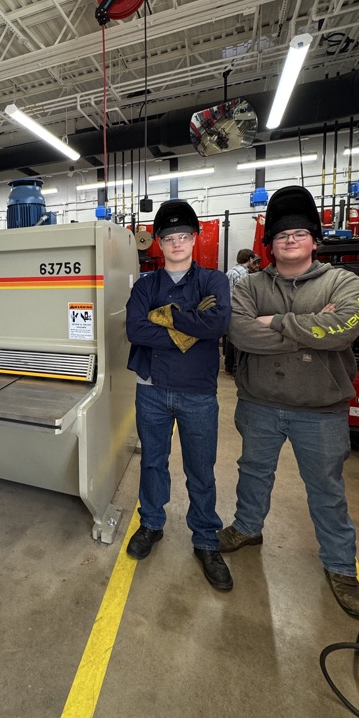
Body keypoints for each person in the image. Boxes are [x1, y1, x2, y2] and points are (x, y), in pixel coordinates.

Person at [220, 185, 359, 618]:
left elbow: (343, 330)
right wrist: (308, 328)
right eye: (282, 235)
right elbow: (240, 333)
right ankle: (248, 529)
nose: (290, 240)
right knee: (253, 472)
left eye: (300, 233)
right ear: (269, 245)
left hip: (320, 409)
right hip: (260, 401)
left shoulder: (343, 281)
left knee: (326, 489)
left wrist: (278, 323)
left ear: (314, 241)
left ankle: (341, 567)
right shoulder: (249, 285)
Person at [125, 199, 233, 590]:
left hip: (198, 393)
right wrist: (191, 325)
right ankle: (151, 523)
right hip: (151, 389)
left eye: (183, 235)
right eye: (168, 237)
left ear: (195, 238)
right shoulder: (145, 285)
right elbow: (136, 330)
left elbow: (218, 322)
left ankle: (206, 539)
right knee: (153, 462)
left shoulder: (213, 281)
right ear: (157, 241)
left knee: (200, 470)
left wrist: (166, 316)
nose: (176, 243)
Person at [224, 249, 261, 374]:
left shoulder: (230, 272)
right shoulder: (244, 275)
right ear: (250, 259)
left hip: (228, 309)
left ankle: (229, 366)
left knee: (230, 338)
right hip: (239, 310)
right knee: (238, 340)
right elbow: (244, 296)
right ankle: (236, 369)